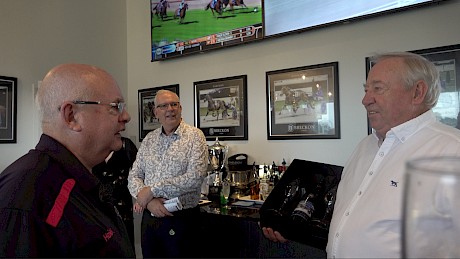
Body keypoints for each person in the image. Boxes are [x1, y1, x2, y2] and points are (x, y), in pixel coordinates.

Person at [262, 52, 460, 258]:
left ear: (417, 92)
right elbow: (349, 220)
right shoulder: (365, 146)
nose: (365, 100)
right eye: (366, 90)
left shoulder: (452, 151)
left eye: (378, 88)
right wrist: (293, 228)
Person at [0, 64, 135, 257]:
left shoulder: (81, 176)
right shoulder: (26, 198)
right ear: (71, 116)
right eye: (115, 107)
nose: (126, 116)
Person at [128, 89, 208, 258]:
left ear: (180, 108)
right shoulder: (149, 139)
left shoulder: (195, 136)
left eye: (174, 104)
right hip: (150, 219)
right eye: (163, 106)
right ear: (156, 112)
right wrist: (149, 203)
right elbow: (133, 176)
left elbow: (194, 177)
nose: (170, 109)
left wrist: (151, 191)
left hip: (181, 219)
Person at [92, 136, 138, 252]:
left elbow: (139, 173)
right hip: (99, 202)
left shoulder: (126, 144)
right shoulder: (94, 147)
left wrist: (140, 197)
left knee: (124, 235)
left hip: (121, 201)